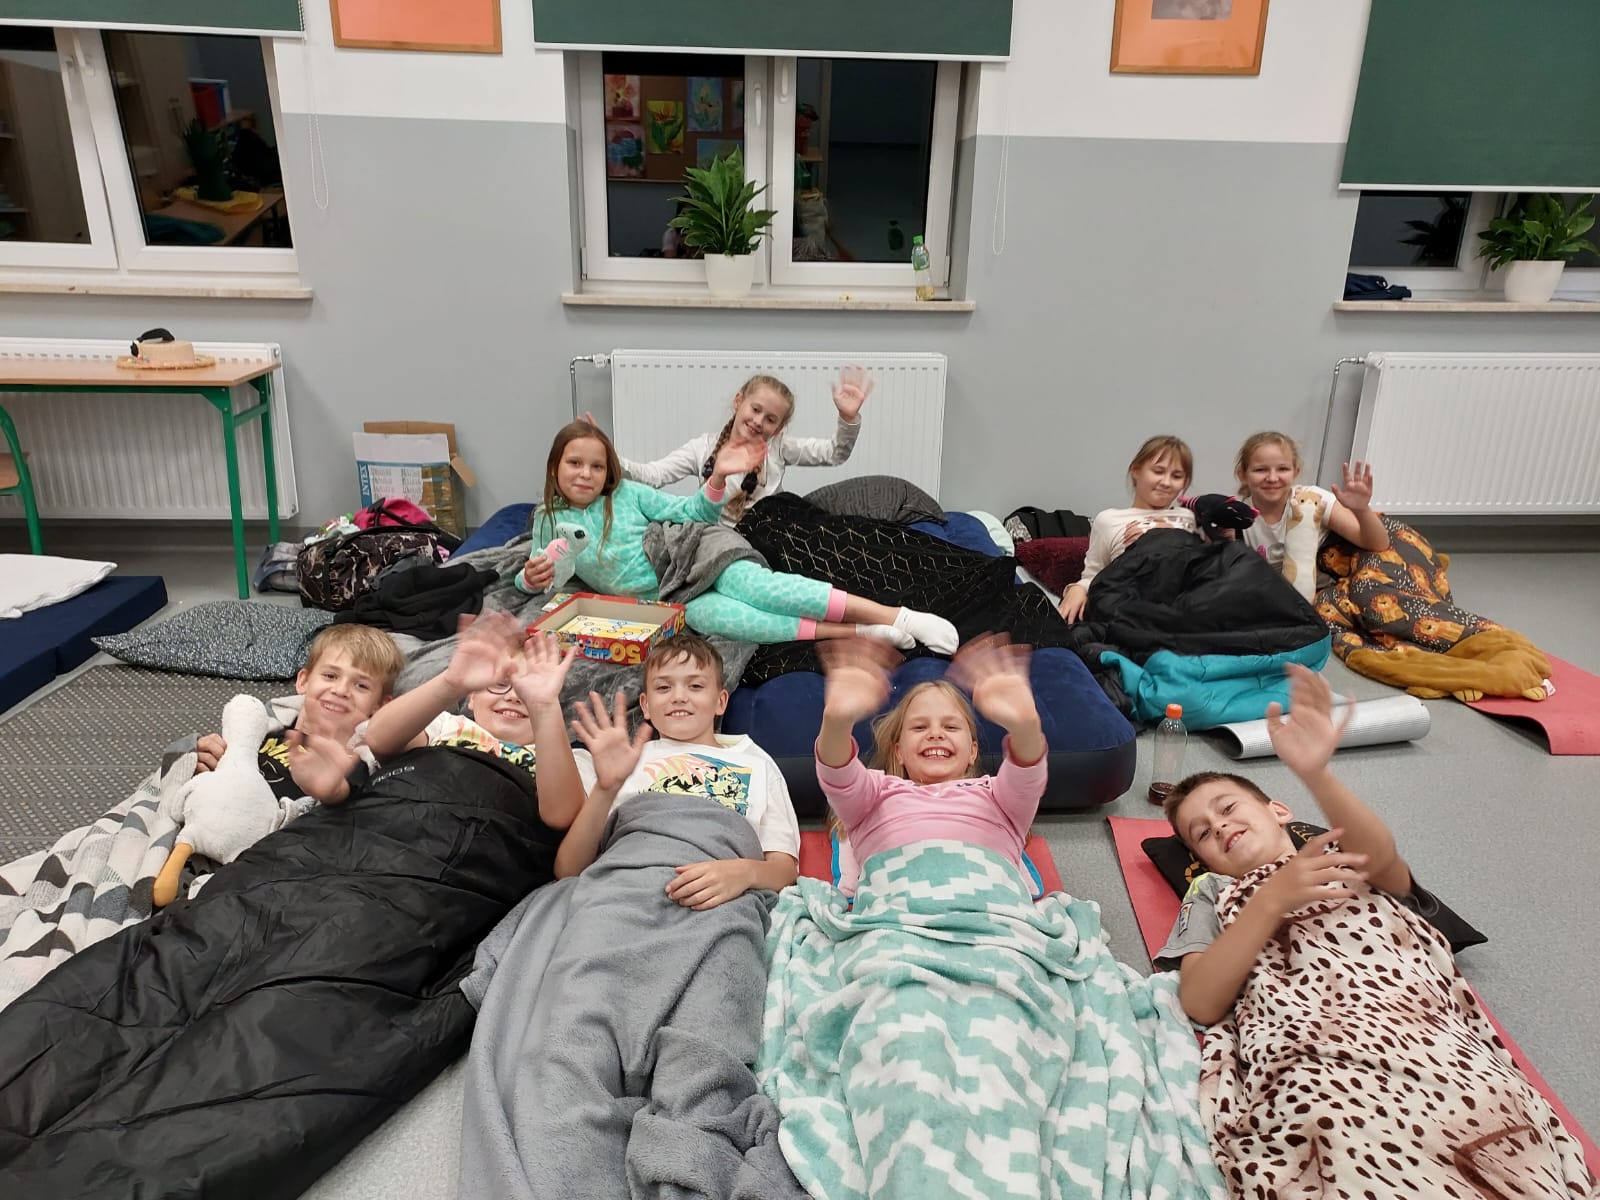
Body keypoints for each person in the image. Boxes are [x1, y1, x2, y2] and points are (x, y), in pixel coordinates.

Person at [1156, 663, 1593, 1197]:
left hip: (1423, 1033)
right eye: (1202, 833)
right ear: (1201, 859)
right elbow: (1201, 1001)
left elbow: (1386, 863)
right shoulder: (1214, 892)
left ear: (1279, 811)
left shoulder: (1342, 855)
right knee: (1334, 1124)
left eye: (1227, 808)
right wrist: (1269, 900)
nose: (1220, 825)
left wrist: (1318, 774)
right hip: (1314, 1054)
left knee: (1490, 1118)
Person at [517, 419, 958, 651]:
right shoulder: (546, 519)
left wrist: (717, 479)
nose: (586, 474)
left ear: (608, 470)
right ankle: (860, 633)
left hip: (697, 554)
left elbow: (691, 513)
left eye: (596, 465)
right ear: (555, 466)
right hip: (669, 599)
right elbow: (540, 572)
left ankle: (896, 616)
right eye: (575, 463)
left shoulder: (627, 494)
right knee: (732, 620)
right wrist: (531, 578)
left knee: (766, 592)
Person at [552, 634, 799, 907]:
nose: (679, 697)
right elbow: (569, 869)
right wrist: (605, 789)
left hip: (715, 899)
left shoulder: (756, 763)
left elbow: (784, 870)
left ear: (721, 701)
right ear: (645, 705)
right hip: (624, 891)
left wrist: (743, 873)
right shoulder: (621, 761)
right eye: (663, 687)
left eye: (695, 686)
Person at [288, 611, 589, 834]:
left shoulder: (569, 758)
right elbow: (378, 737)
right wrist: (451, 683)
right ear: (471, 699)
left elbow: (562, 816)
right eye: (500, 684)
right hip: (394, 825)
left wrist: (543, 707)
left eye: (526, 690)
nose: (512, 696)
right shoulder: (445, 724)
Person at [814, 634, 1047, 894]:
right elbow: (837, 772)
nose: (935, 734)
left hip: (992, 914)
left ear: (973, 752)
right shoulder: (875, 796)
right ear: (899, 752)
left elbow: (1027, 770)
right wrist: (837, 721)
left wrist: (1025, 725)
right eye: (919, 727)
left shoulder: (999, 797)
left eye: (951, 727)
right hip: (896, 914)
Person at [619, 368, 870, 525]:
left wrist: (847, 418)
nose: (758, 421)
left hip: (772, 533)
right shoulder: (702, 448)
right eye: (755, 409)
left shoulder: (778, 447)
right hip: (723, 543)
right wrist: (609, 460)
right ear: (738, 401)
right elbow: (653, 475)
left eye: (770, 419)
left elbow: (834, 454)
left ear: (779, 428)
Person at [193, 623, 404, 802]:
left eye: (361, 686)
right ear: (303, 681)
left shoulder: (356, 764)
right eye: (330, 676)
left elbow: (340, 798)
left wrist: (331, 790)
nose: (340, 690)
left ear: (381, 706)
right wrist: (199, 757)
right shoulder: (264, 727)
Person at [1058, 435, 1199, 624]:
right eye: (1158, 471)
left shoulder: (1189, 517)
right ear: (1136, 470)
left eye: (1177, 476)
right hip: (1131, 603)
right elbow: (1095, 575)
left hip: (1185, 603)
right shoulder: (1109, 520)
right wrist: (1077, 589)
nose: (1166, 482)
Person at [1232, 430, 1389, 599]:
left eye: (1283, 469)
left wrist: (1361, 510)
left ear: (1296, 472)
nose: (1272, 478)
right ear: (1243, 475)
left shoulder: (1311, 500)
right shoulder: (1238, 518)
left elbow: (1378, 544)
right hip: (1276, 596)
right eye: (1260, 470)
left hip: (1325, 590)